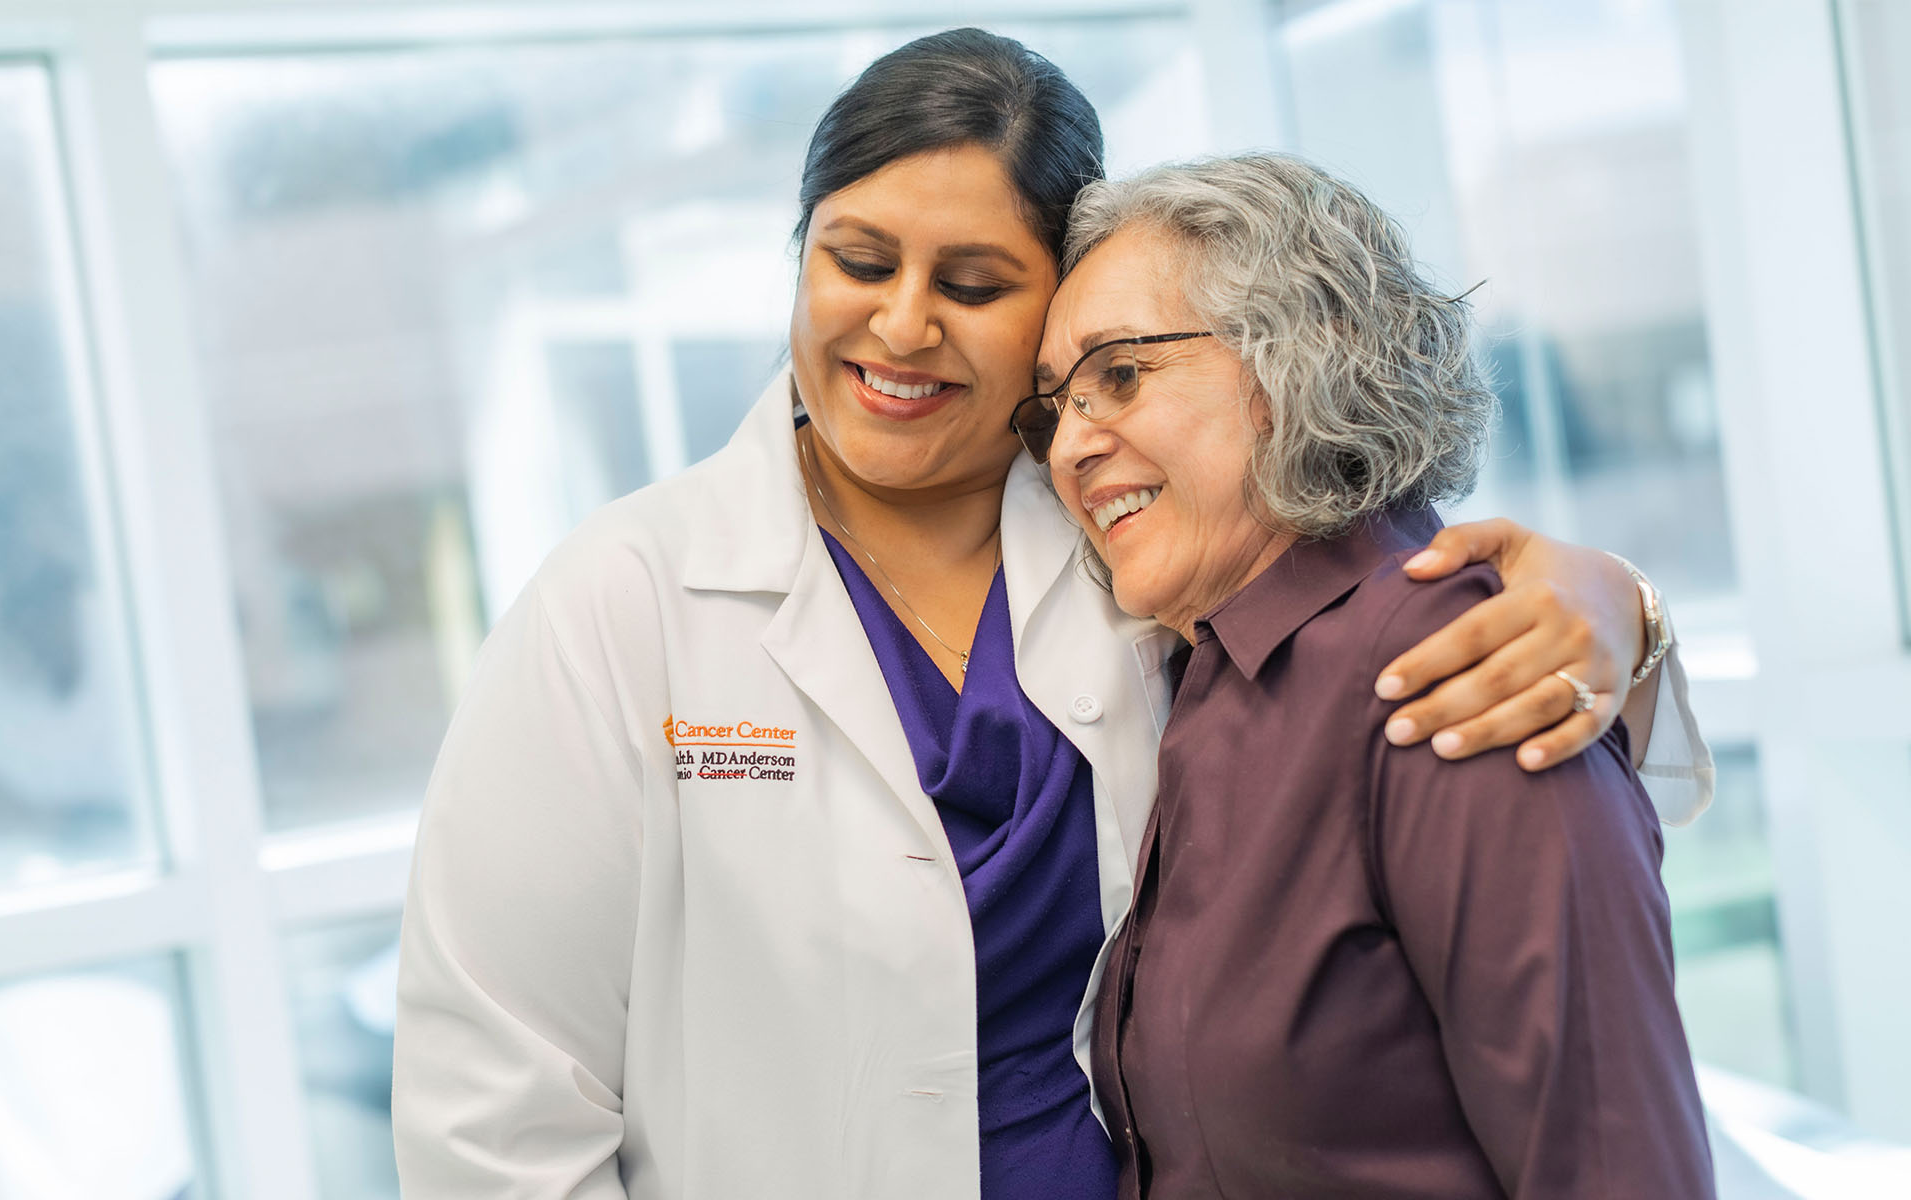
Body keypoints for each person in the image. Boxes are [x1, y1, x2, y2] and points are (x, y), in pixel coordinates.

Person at [392, 29, 1711, 1200]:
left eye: (972, 286)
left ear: (1049, 307)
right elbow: (493, 1105)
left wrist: (1624, 614)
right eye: (858, 261)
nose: (901, 325)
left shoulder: (1152, 553)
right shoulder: (621, 602)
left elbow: (1446, 682)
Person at [1032, 153, 1715, 1197]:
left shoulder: (1446, 668)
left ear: (1299, 357)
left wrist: (1631, 609)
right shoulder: (1210, 685)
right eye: (1051, 409)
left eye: (1117, 374)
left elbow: (1614, 1168)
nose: (1070, 444)